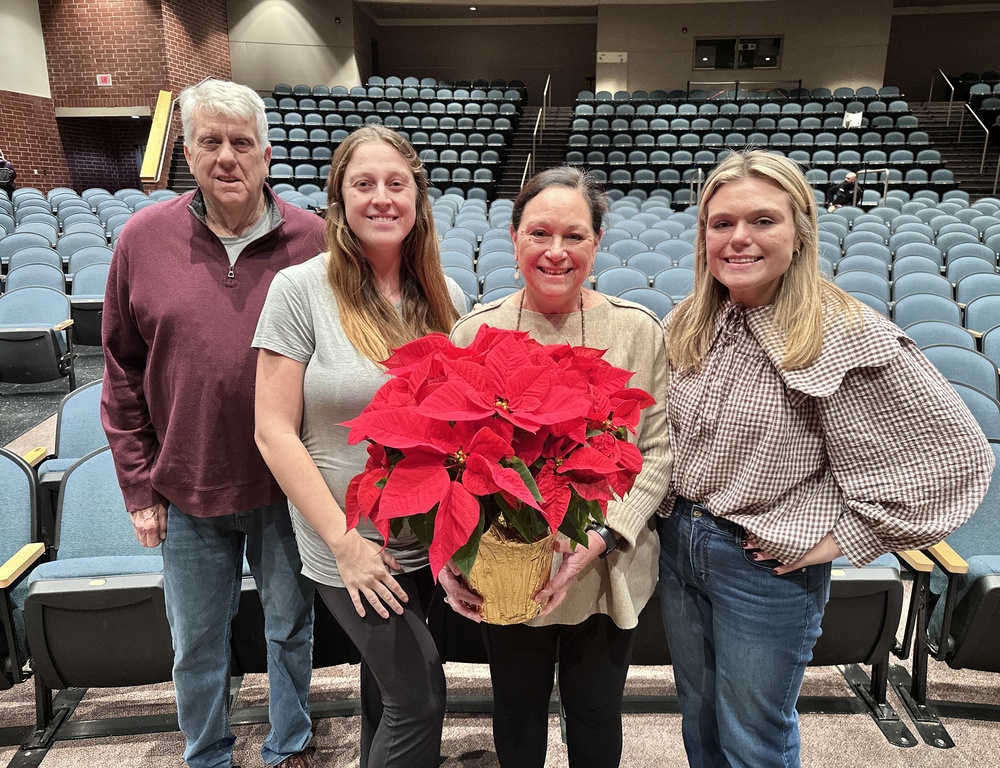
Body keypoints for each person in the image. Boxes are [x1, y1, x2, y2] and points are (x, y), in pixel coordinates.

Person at [658, 149, 994, 768]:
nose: (738, 238)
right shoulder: (692, 320)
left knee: (754, 737)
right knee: (699, 719)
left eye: (763, 220)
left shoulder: (843, 329)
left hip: (763, 569)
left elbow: (957, 457)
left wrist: (841, 537)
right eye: (721, 222)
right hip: (682, 548)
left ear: (801, 230)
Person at [101, 79, 324, 768]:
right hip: (187, 487)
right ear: (188, 153)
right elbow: (120, 370)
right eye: (210, 142)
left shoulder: (313, 239)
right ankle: (207, 753)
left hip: (287, 486)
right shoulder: (143, 238)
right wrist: (138, 488)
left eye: (241, 143)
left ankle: (289, 745)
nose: (227, 157)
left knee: (289, 629)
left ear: (265, 154)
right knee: (195, 641)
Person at [438, 166, 671, 768]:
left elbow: (657, 451)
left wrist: (590, 542)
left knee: (596, 712)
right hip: (509, 567)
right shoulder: (475, 330)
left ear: (597, 243)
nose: (556, 252)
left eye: (575, 236)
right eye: (540, 233)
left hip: (603, 566)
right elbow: (446, 457)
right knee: (516, 713)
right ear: (514, 237)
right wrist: (451, 558)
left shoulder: (636, 330)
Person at [252, 125, 464, 768]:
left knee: (389, 696)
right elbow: (272, 430)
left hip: (420, 536)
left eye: (396, 183)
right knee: (421, 695)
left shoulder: (445, 298)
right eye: (362, 184)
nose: (381, 198)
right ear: (338, 201)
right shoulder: (299, 289)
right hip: (346, 539)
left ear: (417, 198)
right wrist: (345, 545)